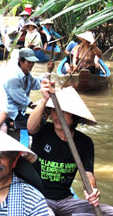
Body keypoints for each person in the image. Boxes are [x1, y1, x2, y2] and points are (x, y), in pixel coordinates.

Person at [28, 80, 113, 216]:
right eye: (54, 111)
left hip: (65, 200)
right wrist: (44, 99)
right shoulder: (43, 131)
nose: (57, 116)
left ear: (74, 117)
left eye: (64, 112)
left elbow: (88, 174)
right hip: (40, 197)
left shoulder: (84, 142)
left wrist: (91, 191)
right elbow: (31, 127)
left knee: (109, 211)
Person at [3, 48, 53, 135]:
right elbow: (24, 100)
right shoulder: (13, 77)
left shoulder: (27, 73)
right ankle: (12, 124)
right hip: (11, 113)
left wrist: (49, 70)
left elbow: (36, 83)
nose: (32, 64)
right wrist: (42, 109)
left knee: (41, 118)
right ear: (20, 61)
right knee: (40, 120)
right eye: (29, 62)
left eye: (33, 62)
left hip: (19, 111)